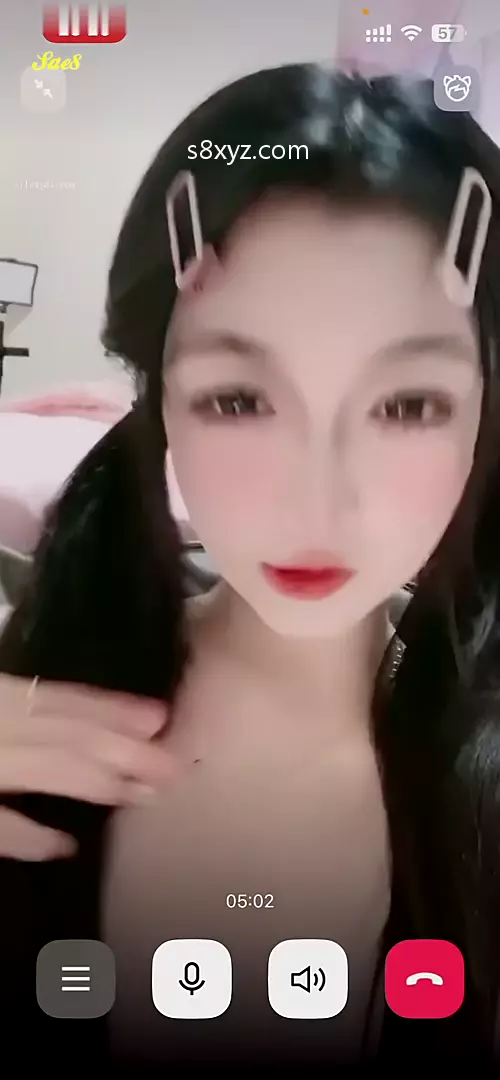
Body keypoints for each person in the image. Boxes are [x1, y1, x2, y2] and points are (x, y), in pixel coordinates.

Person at [1, 63, 500, 1072]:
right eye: (237, 399)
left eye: (407, 405)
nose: (317, 502)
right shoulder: (39, 703)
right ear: (160, 402)